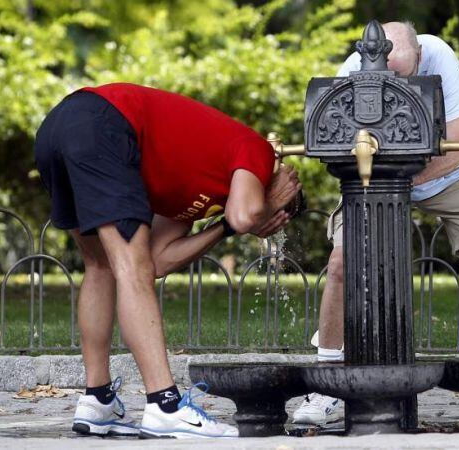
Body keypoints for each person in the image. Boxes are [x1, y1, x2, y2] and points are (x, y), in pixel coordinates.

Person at [292, 22, 459, 426]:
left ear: (418, 55)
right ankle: (324, 388)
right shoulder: (350, 71)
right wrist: (382, 183)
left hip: (443, 175)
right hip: (371, 183)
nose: (392, 80)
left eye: (402, 72)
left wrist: (401, 178)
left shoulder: (440, 57)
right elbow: (331, 147)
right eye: (384, 72)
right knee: (341, 265)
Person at [35, 83, 301, 439]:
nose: (268, 227)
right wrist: (262, 211)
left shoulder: (198, 193)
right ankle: (165, 405)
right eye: (277, 218)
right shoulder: (259, 152)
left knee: (103, 267)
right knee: (131, 269)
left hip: (60, 127)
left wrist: (221, 227)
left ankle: (97, 401)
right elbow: (245, 215)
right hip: (105, 123)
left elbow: (159, 261)